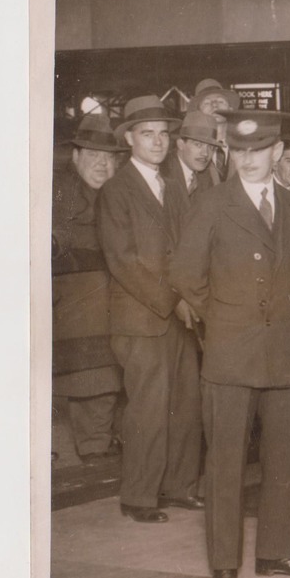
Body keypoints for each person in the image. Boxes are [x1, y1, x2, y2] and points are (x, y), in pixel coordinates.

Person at [169, 110, 290, 578]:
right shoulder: (212, 202)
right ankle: (224, 565)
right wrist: (220, 319)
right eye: (239, 151)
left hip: (282, 348)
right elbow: (184, 274)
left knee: (283, 456)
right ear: (229, 153)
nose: (248, 159)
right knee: (225, 461)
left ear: (277, 152)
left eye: (258, 149)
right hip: (231, 351)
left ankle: (276, 552)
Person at [96, 95, 203, 522]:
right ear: (129, 139)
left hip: (177, 313)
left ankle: (178, 486)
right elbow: (124, 262)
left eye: (163, 134)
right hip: (142, 319)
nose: (158, 142)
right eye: (147, 134)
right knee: (148, 407)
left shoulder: (171, 186)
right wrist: (171, 300)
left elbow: (185, 246)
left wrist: (188, 297)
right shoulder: (116, 191)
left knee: (185, 403)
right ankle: (139, 496)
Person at [52, 112, 124, 463]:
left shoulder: (119, 195)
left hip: (112, 303)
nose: (101, 164)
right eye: (93, 156)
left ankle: (101, 441)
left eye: (107, 157)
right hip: (74, 306)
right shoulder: (59, 195)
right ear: (76, 157)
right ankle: (94, 446)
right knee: (89, 377)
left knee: (108, 376)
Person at [161, 109, 220, 201]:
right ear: (181, 144)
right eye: (198, 145)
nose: (205, 153)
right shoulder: (162, 172)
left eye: (211, 147)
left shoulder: (207, 175)